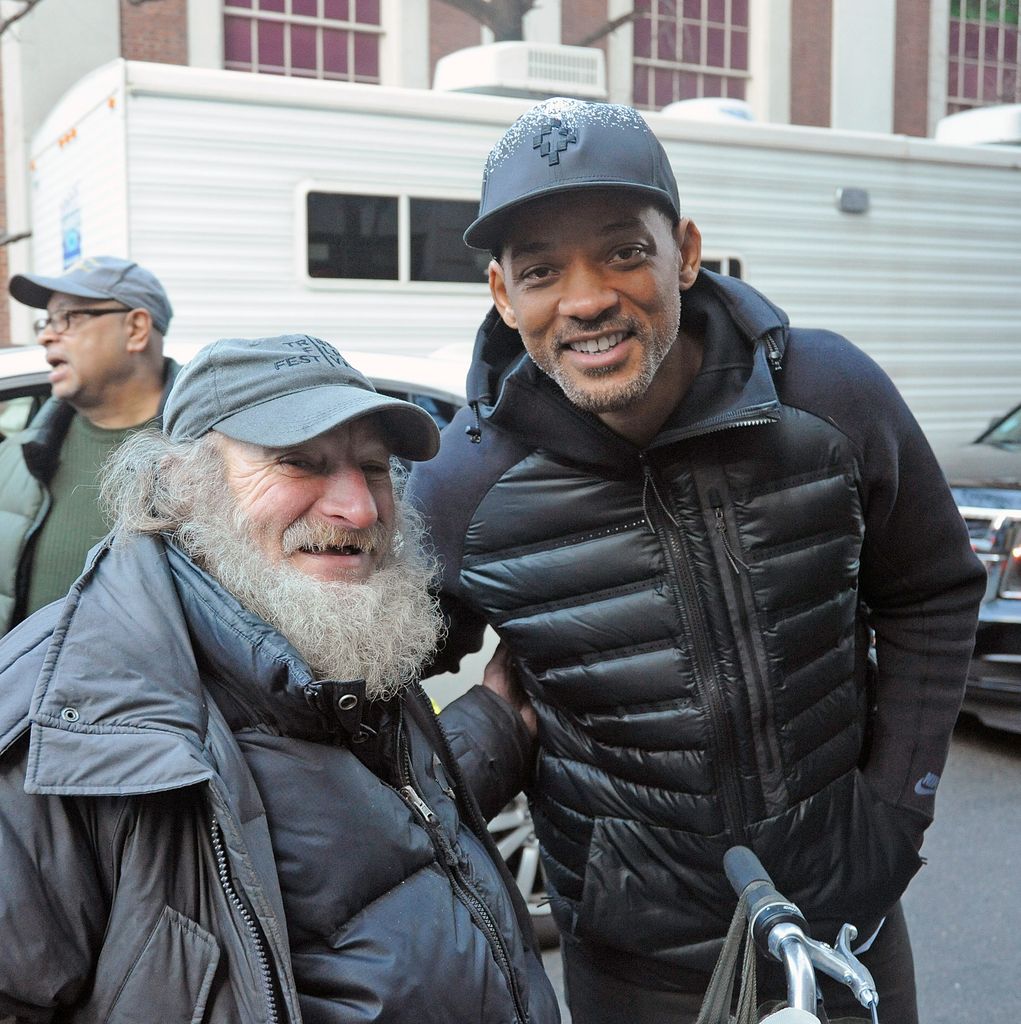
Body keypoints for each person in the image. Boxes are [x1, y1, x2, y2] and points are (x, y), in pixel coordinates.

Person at [407, 98, 986, 1023]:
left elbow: (933, 591)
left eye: (622, 252)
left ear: (683, 251)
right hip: (634, 967)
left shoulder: (829, 396)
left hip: (841, 935)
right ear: (502, 296)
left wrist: (893, 813)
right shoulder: (464, 484)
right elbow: (354, 694)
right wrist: (480, 740)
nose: (587, 297)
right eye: (542, 270)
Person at [0, 334, 559, 1024]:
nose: (358, 510)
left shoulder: (335, 628)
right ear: (180, 486)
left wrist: (491, 731)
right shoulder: (64, 722)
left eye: (375, 467)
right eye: (299, 463)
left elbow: (358, 841)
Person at [0, 255, 179, 633]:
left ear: (136, 329)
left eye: (68, 317)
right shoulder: (17, 458)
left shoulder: (212, 457)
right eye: (47, 321)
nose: (46, 335)